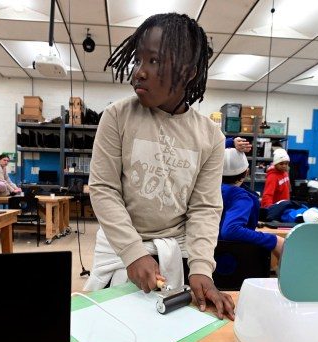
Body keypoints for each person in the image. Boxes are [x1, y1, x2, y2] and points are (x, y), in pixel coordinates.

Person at [85, 13, 234, 320]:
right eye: (138, 60)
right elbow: (104, 190)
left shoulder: (209, 136)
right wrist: (133, 252)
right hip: (120, 248)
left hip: (174, 254)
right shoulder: (118, 116)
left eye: (153, 61)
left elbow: (205, 208)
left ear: (189, 72)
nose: (139, 72)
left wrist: (202, 268)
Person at [219, 149, 284, 258]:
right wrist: (274, 240)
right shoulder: (240, 197)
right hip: (229, 262)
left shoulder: (207, 190)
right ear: (247, 172)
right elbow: (231, 230)